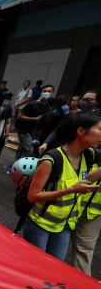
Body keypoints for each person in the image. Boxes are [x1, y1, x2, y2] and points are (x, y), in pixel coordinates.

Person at [25, 111, 101, 261]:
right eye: (100, 129)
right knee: (35, 268)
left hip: (65, 226)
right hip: (40, 224)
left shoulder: (90, 155)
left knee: (54, 271)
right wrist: (71, 190)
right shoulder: (51, 159)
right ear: (80, 131)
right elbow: (33, 196)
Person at [15, 84, 55, 159]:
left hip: (33, 133)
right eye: (44, 91)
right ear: (41, 93)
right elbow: (19, 117)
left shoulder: (47, 107)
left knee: (23, 150)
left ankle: (14, 168)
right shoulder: (32, 104)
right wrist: (35, 119)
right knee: (29, 151)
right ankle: (20, 169)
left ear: (52, 94)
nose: (46, 93)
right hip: (24, 131)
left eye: (49, 91)